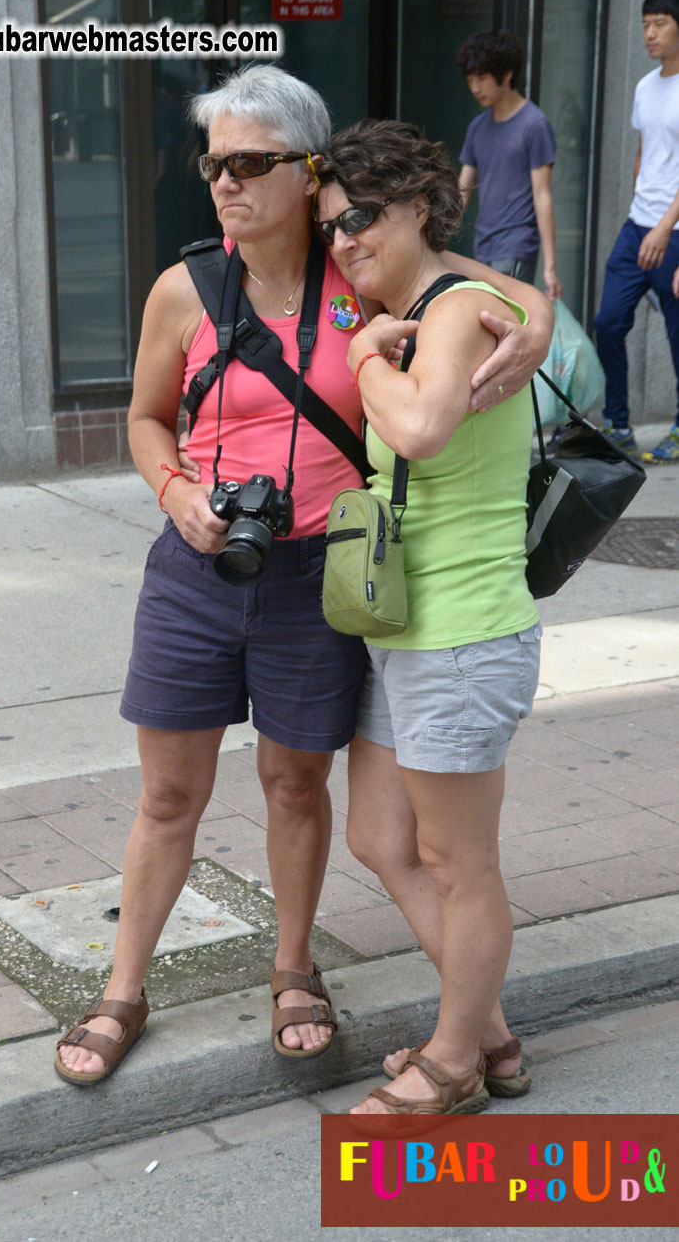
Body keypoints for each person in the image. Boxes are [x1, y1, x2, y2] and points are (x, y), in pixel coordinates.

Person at [54, 66, 553, 1086]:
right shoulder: (183, 289)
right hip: (198, 570)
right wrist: (175, 490)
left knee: (294, 783)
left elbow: (483, 292)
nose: (225, 185)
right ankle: (122, 986)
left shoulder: (363, 279)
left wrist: (537, 319)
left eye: (248, 164)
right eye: (213, 166)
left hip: (324, 577)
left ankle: (293, 968)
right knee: (167, 796)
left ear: (305, 168)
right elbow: (148, 419)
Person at [315, 118, 541, 1116]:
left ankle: (452, 1064)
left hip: (461, 624)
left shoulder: (450, 311)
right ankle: (484, 1030)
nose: (344, 241)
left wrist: (365, 353)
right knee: (378, 834)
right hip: (407, 622)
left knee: (457, 859)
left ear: (415, 205)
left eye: (359, 217)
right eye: (330, 227)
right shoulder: (438, 294)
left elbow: (417, 423)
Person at [593, 0, 679, 464]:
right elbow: (646, 153)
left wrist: (665, 227)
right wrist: (637, 208)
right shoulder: (646, 86)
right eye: (645, 23)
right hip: (638, 225)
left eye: (660, 23)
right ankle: (619, 423)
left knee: (677, 335)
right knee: (608, 322)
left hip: (674, 232)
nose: (649, 33)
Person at [456, 29, 561, 302]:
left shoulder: (534, 125)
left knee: (500, 320)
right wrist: (437, 233)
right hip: (484, 246)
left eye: (481, 78)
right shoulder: (477, 127)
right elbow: (463, 188)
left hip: (516, 244)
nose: (474, 88)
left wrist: (550, 266)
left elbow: (543, 195)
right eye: (470, 79)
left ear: (506, 74)